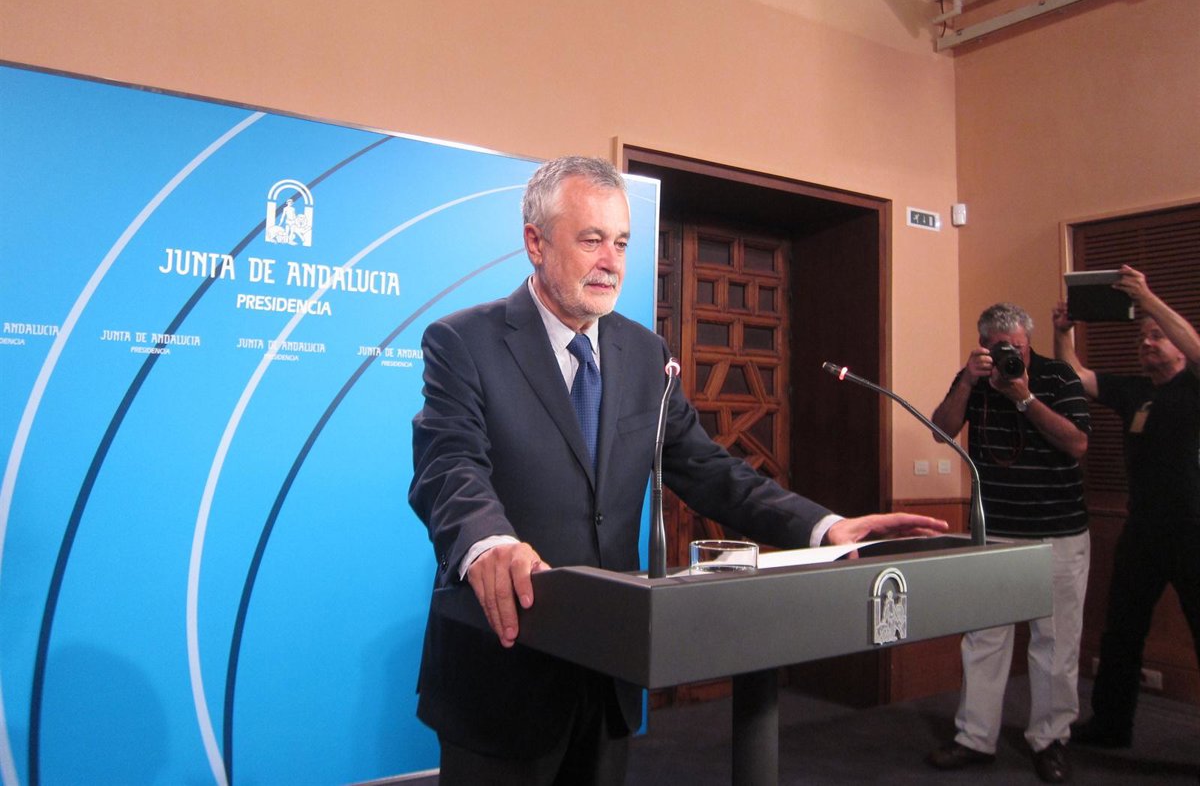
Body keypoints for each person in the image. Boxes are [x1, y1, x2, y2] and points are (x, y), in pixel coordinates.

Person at [409, 155, 949, 786]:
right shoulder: (465, 341)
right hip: (503, 673)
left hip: (606, 667)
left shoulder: (645, 353)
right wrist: (488, 542)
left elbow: (708, 469)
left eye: (621, 243)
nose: (611, 262)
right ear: (535, 242)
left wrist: (823, 527)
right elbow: (449, 464)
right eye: (591, 240)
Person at [926, 302, 1091, 784]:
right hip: (994, 530)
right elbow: (941, 430)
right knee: (984, 638)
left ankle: (1051, 740)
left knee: (1056, 643)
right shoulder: (974, 379)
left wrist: (1024, 398)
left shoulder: (1058, 376)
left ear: (1028, 343)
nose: (1010, 356)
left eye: (1017, 347)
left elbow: (1077, 443)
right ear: (984, 345)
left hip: (1059, 531)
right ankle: (974, 738)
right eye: (1000, 348)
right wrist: (966, 382)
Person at [1052, 264, 1200, 749]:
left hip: (1193, 532)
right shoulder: (1136, 391)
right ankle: (1112, 725)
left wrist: (1147, 298)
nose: (1148, 343)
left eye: (1158, 337)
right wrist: (1063, 332)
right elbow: (1075, 376)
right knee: (1121, 631)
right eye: (1143, 337)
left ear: (1181, 348)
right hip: (1143, 531)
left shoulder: (1194, 386)